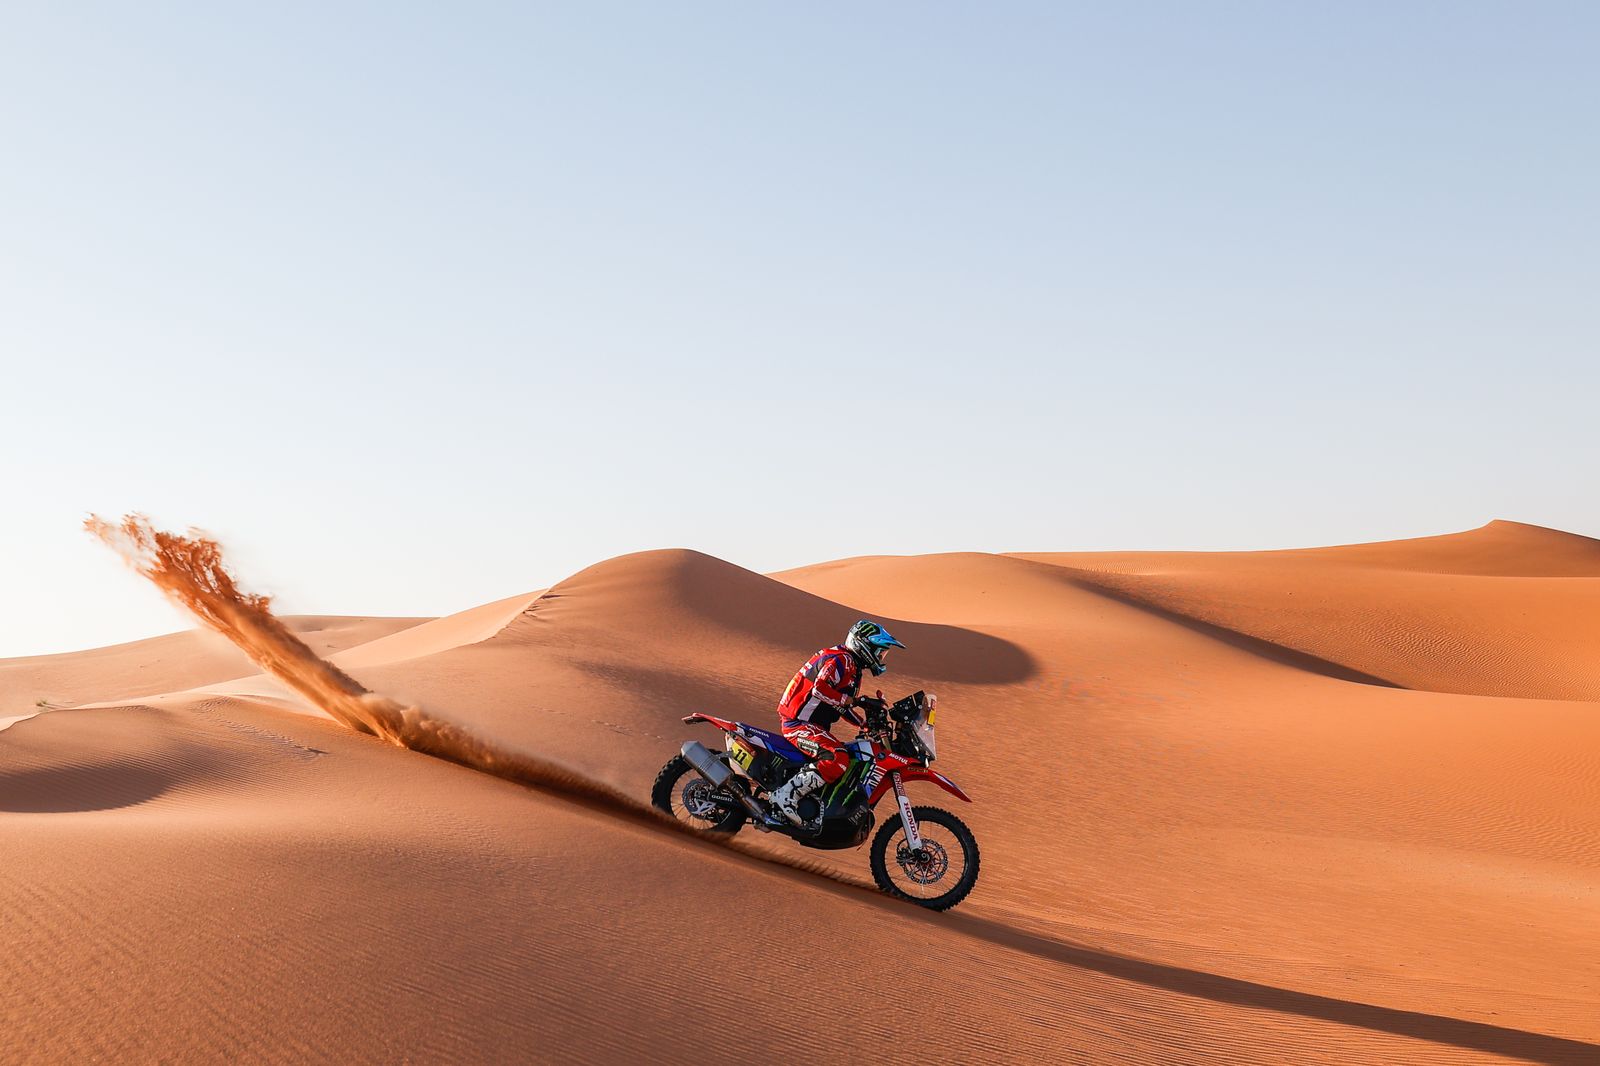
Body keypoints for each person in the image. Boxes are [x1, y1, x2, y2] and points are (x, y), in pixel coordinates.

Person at [765, 619, 905, 826]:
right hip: (798, 724)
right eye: (879, 651)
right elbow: (820, 689)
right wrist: (854, 701)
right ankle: (786, 796)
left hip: (812, 725)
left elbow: (839, 705)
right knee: (836, 757)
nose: (881, 657)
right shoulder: (841, 660)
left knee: (849, 756)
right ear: (863, 645)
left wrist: (863, 724)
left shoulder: (851, 666)